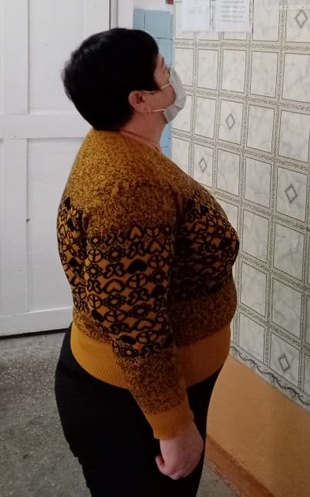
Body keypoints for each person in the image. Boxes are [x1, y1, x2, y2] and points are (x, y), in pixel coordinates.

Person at [54, 28, 239, 497]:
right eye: (163, 69)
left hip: (138, 389)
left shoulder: (114, 145)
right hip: (132, 406)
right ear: (141, 99)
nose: (173, 76)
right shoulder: (131, 189)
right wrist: (173, 427)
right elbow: (133, 318)